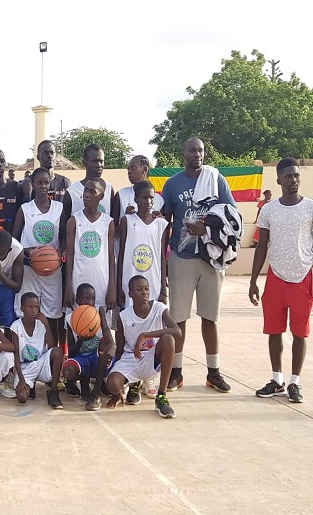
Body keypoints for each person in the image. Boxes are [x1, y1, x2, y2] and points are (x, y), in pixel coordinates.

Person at [160, 137, 237, 392]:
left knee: (210, 317)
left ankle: (213, 372)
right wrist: (163, 258)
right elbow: (165, 221)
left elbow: (231, 217)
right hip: (182, 258)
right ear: (183, 154)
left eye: (201, 150)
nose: (198, 154)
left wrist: (206, 228)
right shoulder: (172, 184)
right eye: (192, 150)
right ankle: (177, 372)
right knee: (179, 318)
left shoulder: (216, 179)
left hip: (210, 258)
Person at [250, 158, 311, 403]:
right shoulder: (269, 210)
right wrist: (253, 281)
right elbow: (261, 246)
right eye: (288, 176)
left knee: (300, 333)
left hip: (303, 275)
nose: (293, 180)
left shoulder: (310, 207)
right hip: (276, 276)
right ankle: (277, 380)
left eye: (296, 175)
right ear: (278, 180)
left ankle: (295, 382)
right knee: (274, 331)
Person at [106, 276, 180, 418]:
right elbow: (120, 349)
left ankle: (161, 397)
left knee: (168, 339)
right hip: (131, 358)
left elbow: (177, 331)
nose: (144, 292)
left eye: (146, 288)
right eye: (139, 289)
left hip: (152, 357)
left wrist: (145, 335)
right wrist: (113, 382)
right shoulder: (123, 317)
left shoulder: (159, 308)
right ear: (130, 294)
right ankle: (133, 385)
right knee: (113, 384)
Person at [12, 168, 64, 334]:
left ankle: (52, 353)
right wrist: (29, 252)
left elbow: (64, 238)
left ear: (50, 184)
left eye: (46, 182)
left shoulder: (59, 208)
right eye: (39, 182)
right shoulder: (25, 209)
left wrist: (58, 252)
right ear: (33, 184)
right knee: (27, 313)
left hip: (53, 270)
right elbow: (14, 241)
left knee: (53, 315)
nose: (43, 186)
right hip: (29, 269)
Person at [64, 178, 116, 318]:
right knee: (76, 326)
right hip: (78, 282)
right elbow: (69, 255)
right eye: (85, 190)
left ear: (101, 196)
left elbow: (111, 256)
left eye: (92, 191)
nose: (86, 194)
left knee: (100, 329)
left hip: (101, 284)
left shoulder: (108, 222)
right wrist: (68, 286)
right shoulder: (74, 220)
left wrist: (112, 287)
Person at [61, 284, 115, 409]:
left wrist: (112, 346)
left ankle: (96, 392)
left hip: (98, 358)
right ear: (77, 300)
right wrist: (80, 340)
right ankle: (84, 385)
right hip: (82, 358)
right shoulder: (70, 319)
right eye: (86, 299)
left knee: (103, 344)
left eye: (92, 299)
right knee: (68, 370)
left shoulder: (99, 312)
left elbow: (107, 334)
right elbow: (71, 353)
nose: (90, 302)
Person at [117, 180, 169, 307]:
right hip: (130, 278)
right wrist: (118, 286)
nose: (148, 201)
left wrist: (163, 288)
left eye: (151, 198)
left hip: (153, 280)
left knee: (152, 320)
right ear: (136, 199)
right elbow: (122, 253)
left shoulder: (161, 224)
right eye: (144, 198)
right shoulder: (127, 220)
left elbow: (161, 256)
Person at [10, 292, 64, 409]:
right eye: (30, 307)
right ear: (22, 308)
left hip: (40, 363)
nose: (34, 310)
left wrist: (46, 325)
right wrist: (22, 380)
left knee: (58, 352)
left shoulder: (41, 324)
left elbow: (52, 347)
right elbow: (16, 356)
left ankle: (53, 391)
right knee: (22, 398)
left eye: (36, 307)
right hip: (25, 368)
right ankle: (30, 385)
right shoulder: (16, 326)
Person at [62, 144, 115, 229]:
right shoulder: (72, 192)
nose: (99, 165)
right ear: (84, 163)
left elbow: (112, 220)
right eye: (94, 161)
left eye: (101, 161)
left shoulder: (108, 189)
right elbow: (65, 227)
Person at [116, 156, 164, 222]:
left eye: (133, 168)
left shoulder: (159, 200)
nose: (129, 172)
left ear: (145, 170)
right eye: (128, 169)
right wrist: (127, 219)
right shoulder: (121, 195)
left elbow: (162, 228)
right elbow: (113, 226)